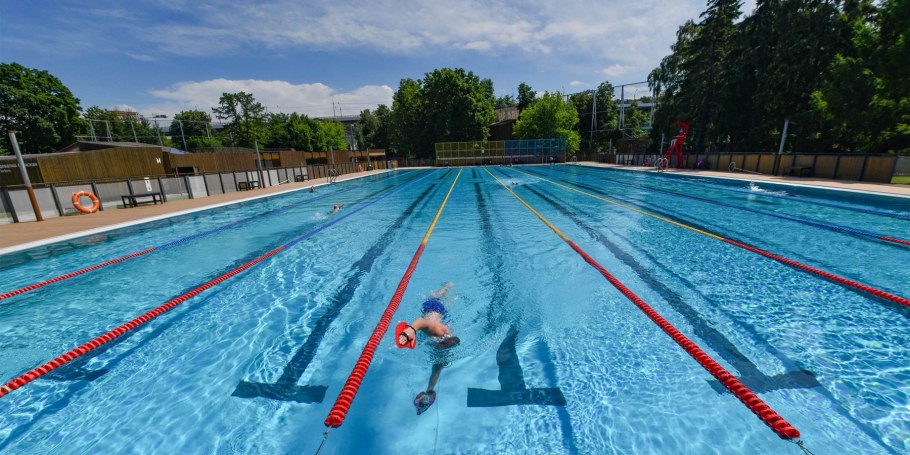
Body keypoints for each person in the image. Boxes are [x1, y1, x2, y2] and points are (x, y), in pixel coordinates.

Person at [395, 281, 459, 415]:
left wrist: (429, 391)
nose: (438, 351)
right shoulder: (438, 332)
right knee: (436, 297)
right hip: (433, 307)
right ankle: (447, 286)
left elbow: (436, 371)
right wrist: (411, 330)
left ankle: (449, 295)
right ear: (441, 342)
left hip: (442, 316)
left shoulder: (442, 353)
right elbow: (420, 321)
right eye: (439, 348)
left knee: (446, 305)